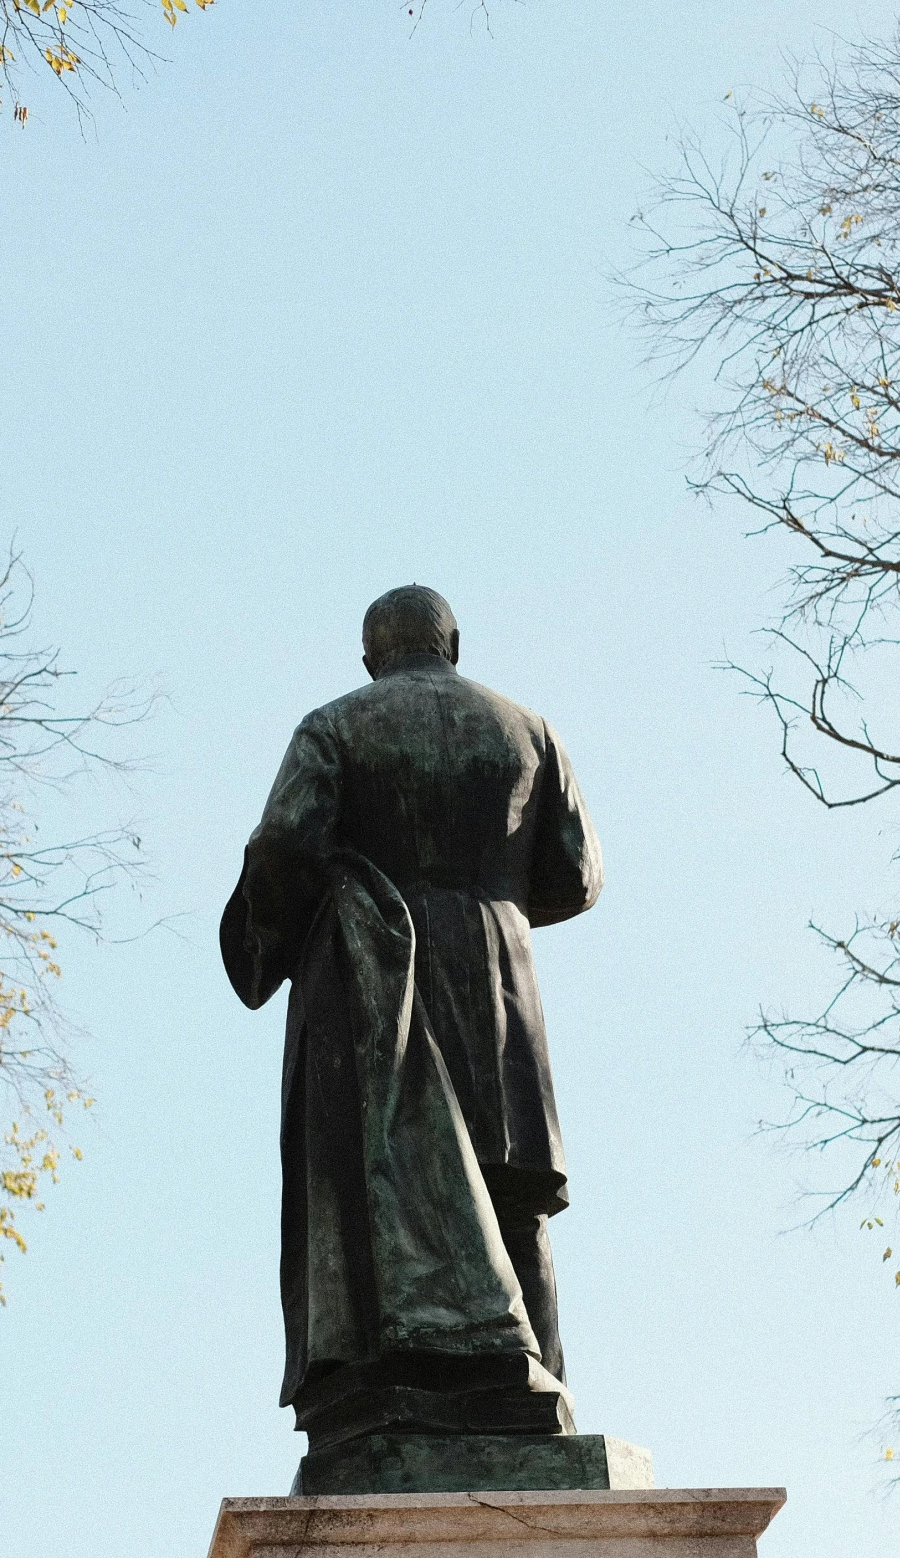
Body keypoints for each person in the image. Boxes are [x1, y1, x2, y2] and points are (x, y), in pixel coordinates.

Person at [221, 585, 603, 1455]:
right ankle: (542, 1397)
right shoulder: (528, 729)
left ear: (369, 659)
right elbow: (576, 875)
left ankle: (387, 1392)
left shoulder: (333, 726)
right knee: (513, 1193)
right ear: (454, 644)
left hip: (373, 981)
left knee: (377, 1185)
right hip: (498, 974)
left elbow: (283, 840)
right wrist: (490, 897)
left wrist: (270, 931)